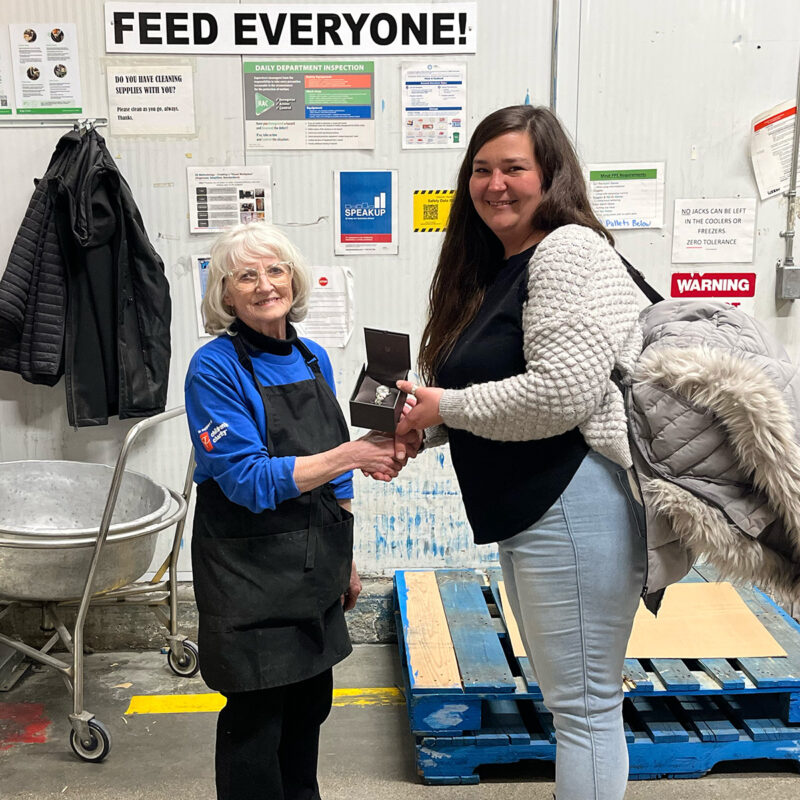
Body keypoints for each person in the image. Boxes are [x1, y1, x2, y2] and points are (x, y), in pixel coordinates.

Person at [396, 105, 646, 800]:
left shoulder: (568, 250)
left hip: (573, 502)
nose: (495, 184)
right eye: (481, 169)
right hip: (536, 510)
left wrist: (445, 408)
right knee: (574, 702)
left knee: (587, 709)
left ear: (551, 176)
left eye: (514, 168)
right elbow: (499, 389)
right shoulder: (496, 267)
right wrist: (429, 425)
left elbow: (561, 394)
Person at [185, 222, 412, 800]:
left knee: (309, 711)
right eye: (247, 276)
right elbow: (246, 479)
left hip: (314, 570)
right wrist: (356, 452)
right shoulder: (213, 368)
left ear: (295, 278)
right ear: (226, 295)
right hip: (249, 574)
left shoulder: (312, 358)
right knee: (256, 725)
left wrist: (347, 562)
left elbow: (333, 476)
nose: (265, 286)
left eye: (276, 270)